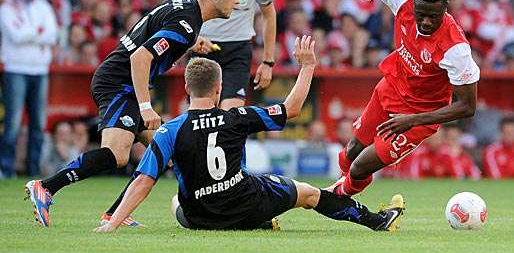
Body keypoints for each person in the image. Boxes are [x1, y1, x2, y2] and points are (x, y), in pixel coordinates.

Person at [94, 37, 404, 233]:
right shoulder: (237, 117)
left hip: (199, 217)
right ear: (219, 88)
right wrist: (307, 66)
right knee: (308, 193)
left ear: (187, 88)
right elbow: (292, 108)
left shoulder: (168, 131)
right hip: (247, 203)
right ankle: (376, 222)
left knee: (176, 199)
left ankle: (257, 222)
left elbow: (143, 182)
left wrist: (113, 222)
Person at [24, 0, 242, 228]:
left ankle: (114, 213)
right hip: (119, 83)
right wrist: (145, 106)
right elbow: (140, 57)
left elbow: (158, 28)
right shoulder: (186, 24)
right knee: (117, 154)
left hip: (121, 80)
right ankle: (46, 187)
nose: (238, 0)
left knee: (164, 151)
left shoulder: (187, 12)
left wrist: (191, 41)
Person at [328, 0, 480, 196]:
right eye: (421, 14)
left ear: (445, 9)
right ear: (414, 4)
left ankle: (338, 198)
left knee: (360, 167)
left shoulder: (456, 50)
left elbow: (468, 107)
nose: (426, 22)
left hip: (420, 113)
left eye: (434, 16)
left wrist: (413, 120)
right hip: (390, 88)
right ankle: (338, 189)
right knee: (351, 151)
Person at [173, 0, 277, 110]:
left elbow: (269, 14)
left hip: (238, 50)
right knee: (203, 113)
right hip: (202, 47)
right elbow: (177, 8)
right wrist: (191, 40)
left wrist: (268, 61)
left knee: (231, 116)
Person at [0, 0, 58, 177]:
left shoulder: (43, 5)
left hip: (39, 70)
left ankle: (33, 171)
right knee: (13, 123)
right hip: (15, 69)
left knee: (38, 124)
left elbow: (52, 34)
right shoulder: (6, 7)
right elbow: (15, 36)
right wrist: (38, 32)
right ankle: (7, 170)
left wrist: (31, 34)